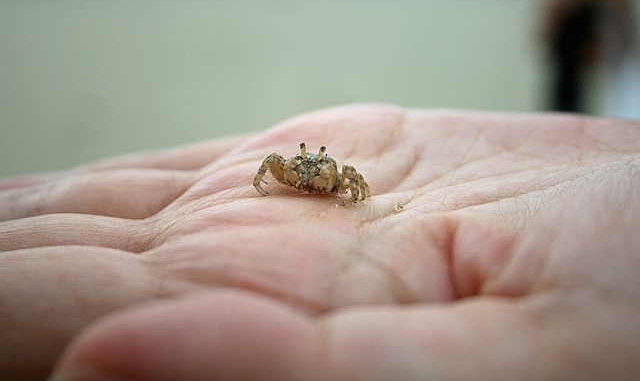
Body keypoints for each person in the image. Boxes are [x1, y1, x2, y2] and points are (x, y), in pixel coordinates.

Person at [1, 104, 639, 380]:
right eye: (304, 162)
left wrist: (351, 193)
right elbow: (268, 165)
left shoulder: (337, 173)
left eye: (318, 163)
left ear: (328, 164)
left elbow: (358, 182)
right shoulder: (290, 166)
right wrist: (266, 185)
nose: (308, 166)